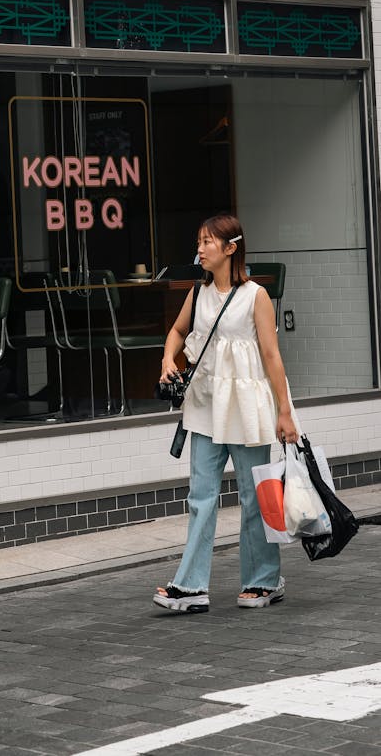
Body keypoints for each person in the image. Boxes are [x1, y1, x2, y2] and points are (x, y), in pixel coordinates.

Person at [152, 213, 299, 615]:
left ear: (230, 248)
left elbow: (272, 356)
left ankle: (264, 580)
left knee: (255, 498)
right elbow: (178, 332)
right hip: (204, 406)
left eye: (207, 242)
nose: (199, 249)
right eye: (199, 242)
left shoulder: (256, 296)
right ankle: (190, 586)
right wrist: (168, 357)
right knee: (200, 497)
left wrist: (285, 412)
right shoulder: (197, 294)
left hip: (247, 409)